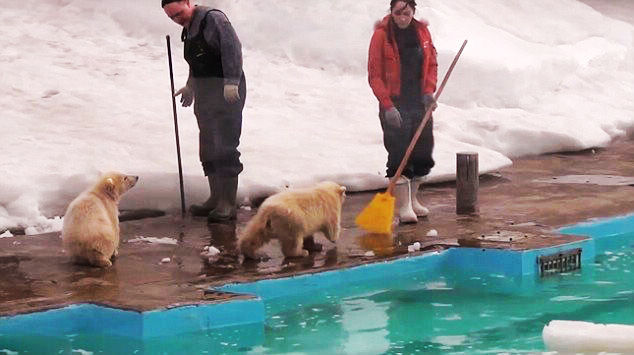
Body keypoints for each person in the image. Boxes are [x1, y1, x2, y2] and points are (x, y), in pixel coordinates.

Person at [162, 0, 246, 222]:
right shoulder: (188, 29)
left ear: (188, 2)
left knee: (225, 143)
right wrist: (190, 87)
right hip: (205, 90)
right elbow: (197, 62)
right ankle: (215, 198)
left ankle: (227, 204)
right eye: (172, 17)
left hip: (227, 89)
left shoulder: (214, 19)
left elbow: (232, 50)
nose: (177, 20)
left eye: (179, 13)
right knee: (208, 143)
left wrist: (231, 82)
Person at [368, 0, 438, 223]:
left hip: (419, 103)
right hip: (395, 104)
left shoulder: (423, 32)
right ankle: (403, 206)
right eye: (398, 13)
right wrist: (387, 105)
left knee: (422, 152)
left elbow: (432, 64)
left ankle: (414, 199)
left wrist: (429, 91)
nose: (402, 18)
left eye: (406, 13)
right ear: (391, 12)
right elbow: (374, 74)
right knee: (399, 154)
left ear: (413, 12)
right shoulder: (381, 36)